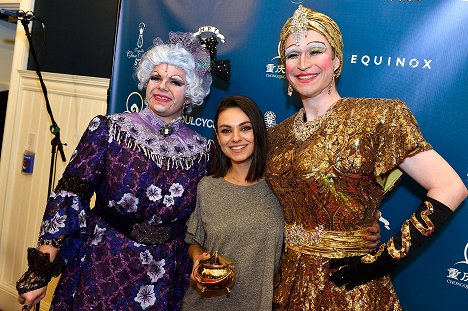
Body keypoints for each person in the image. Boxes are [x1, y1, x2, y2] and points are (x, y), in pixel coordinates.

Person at [265, 5, 467, 310]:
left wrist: (384, 259)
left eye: (315, 50)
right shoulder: (275, 136)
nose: (303, 63)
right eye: (293, 54)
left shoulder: (378, 118)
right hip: (287, 283)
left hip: (349, 286)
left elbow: (451, 187)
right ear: (284, 66)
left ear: (336, 60)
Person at [16, 31, 229, 310]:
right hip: (102, 266)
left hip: (164, 277)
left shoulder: (203, 151)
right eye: (156, 77)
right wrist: (40, 271)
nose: (162, 86)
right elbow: (68, 198)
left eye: (175, 81)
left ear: (190, 94)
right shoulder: (109, 130)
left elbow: (202, 220)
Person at [181, 95, 284, 310]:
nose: (236, 138)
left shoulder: (281, 187)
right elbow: (194, 240)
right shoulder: (207, 187)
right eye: (226, 131)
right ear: (218, 138)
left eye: (245, 128)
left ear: (258, 132)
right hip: (207, 304)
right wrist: (198, 257)